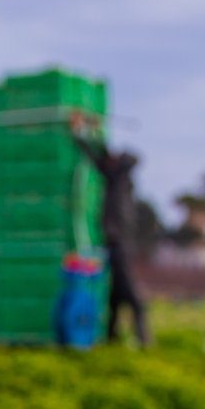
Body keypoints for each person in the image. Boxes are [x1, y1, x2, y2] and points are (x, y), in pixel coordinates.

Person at [70, 111, 150, 346]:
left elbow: (128, 158)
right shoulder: (110, 174)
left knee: (128, 291)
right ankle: (112, 337)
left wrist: (92, 132)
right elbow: (95, 156)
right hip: (112, 241)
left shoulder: (122, 176)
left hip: (120, 240)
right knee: (114, 293)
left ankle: (143, 337)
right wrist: (83, 132)